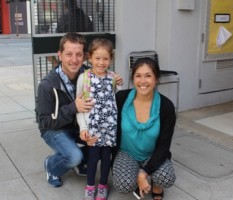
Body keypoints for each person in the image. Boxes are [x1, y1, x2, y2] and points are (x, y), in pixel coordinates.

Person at [37, 32, 123, 188]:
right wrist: (72, 108)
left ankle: (77, 160)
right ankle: (52, 166)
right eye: (69, 54)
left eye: (78, 54)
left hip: (79, 125)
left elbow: (105, 97)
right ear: (60, 55)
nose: (74, 59)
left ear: (85, 56)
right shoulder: (47, 85)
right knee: (74, 156)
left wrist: (115, 81)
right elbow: (44, 123)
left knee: (101, 144)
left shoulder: (89, 75)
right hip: (55, 128)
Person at [112, 57, 176, 200]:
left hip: (152, 153)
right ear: (133, 78)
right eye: (138, 76)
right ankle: (138, 177)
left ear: (156, 79)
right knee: (123, 185)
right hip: (126, 152)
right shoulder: (121, 98)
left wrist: (144, 173)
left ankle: (155, 182)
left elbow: (164, 146)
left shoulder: (166, 106)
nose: (142, 81)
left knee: (167, 178)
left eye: (148, 76)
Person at [76, 38, 120, 200]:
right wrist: (83, 128)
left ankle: (103, 185)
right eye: (97, 58)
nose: (101, 62)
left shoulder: (113, 78)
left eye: (105, 59)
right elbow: (79, 107)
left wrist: (120, 82)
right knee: (93, 159)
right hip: (93, 127)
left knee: (106, 159)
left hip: (109, 127)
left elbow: (118, 98)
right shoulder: (84, 77)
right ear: (90, 57)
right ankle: (90, 186)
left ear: (111, 59)